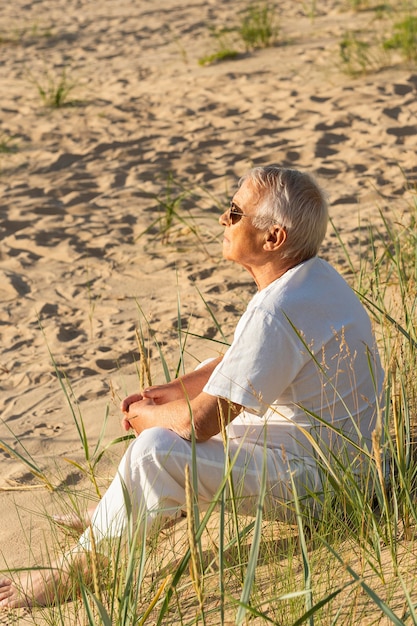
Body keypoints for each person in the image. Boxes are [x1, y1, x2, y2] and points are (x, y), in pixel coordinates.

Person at [0, 165, 384, 608]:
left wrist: (148, 418)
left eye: (235, 213)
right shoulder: (312, 279)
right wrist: (174, 388)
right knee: (203, 383)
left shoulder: (275, 309)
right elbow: (245, 357)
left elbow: (201, 423)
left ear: (273, 238)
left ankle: (76, 572)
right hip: (337, 455)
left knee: (156, 450)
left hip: (326, 488)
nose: (224, 219)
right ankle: (118, 514)